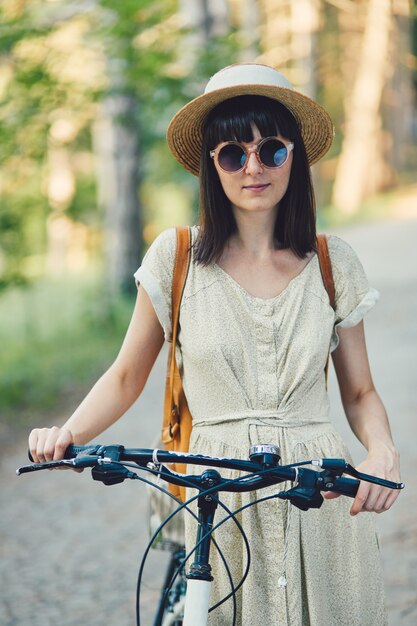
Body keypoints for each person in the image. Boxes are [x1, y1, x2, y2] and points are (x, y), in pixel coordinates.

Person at [29, 64, 401, 625]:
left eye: (271, 150)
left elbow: (361, 390)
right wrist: (68, 436)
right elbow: (127, 375)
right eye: (233, 153)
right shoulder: (176, 259)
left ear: (293, 157)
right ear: (212, 165)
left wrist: (382, 451)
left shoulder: (331, 262)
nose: (253, 167)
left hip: (316, 493)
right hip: (217, 492)